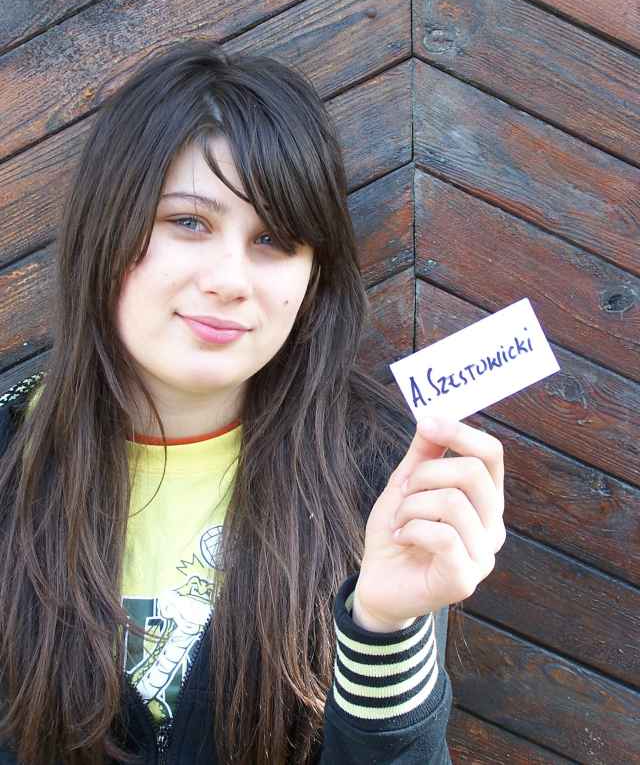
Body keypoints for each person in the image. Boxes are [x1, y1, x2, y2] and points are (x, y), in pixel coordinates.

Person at [0, 40, 506, 765]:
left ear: (312, 276)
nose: (230, 280)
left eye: (273, 238)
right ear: (106, 227)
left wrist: (384, 627)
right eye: (189, 222)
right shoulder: (9, 460)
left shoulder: (378, 479)